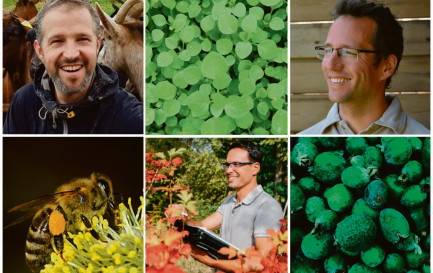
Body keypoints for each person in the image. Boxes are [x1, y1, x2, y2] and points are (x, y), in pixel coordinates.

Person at [3, 0, 143, 134]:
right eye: (57, 41)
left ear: (97, 45)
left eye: (82, 39)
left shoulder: (132, 120)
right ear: (40, 51)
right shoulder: (22, 103)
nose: (71, 54)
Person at [299, 0, 429, 135]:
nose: (331, 65)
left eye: (348, 52)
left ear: (387, 66)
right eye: (328, 50)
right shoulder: (302, 140)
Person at [187, 141, 283, 272]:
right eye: (227, 165)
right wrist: (183, 218)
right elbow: (201, 225)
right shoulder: (229, 201)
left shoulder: (267, 207)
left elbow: (262, 263)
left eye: (236, 164)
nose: (228, 170)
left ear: (255, 168)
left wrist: (211, 262)